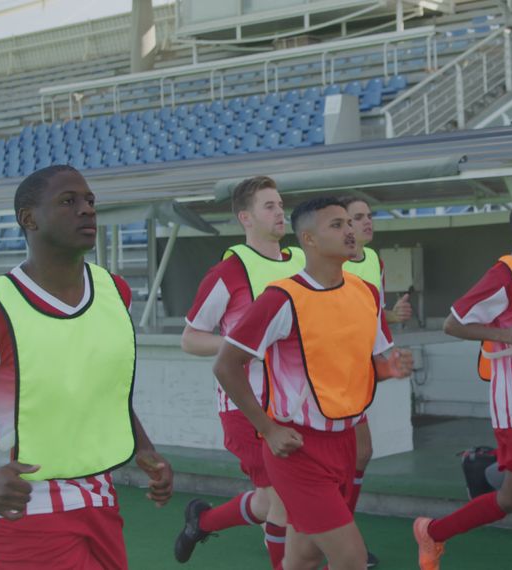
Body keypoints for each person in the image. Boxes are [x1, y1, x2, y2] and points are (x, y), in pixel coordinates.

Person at [0, 165, 173, 569]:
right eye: (68, 201)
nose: (86, 210)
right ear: (29, 218)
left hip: (98, 492)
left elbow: (104, 385)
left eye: (90, 201)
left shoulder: (114, 291)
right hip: (25, 501)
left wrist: (143, 446)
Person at [212, 197, 414, 570]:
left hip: (345, 441)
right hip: (297, 450)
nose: (350, 231)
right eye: (336, 225)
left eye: (349, 223)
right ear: (309, 239)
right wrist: (268, 429)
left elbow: (367, 367)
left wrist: (392, 369)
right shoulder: (282, 297)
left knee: (303, 557)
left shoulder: (365, 293)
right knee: (352, 559)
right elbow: (226, 366)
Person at [412, 198, 512, 569]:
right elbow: (453, 323)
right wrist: (510, 336)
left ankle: (432, 531)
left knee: (511, 499)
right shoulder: (507, 273)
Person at [175, 176, 302, 565]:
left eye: (281, 204)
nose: (280, 211)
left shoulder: (302, 261)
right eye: (269, 206)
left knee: (270, 500)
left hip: (297, 403)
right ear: (245, 218)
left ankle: (204, 522)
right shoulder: (228, 272)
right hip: (246, 408)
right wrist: (243, 346)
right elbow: (190, 339)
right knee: (283, 501)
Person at [339, 196, 412, 569]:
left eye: (369, 216)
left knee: (359, 454)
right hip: (326, 374)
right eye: (356, 218)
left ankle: (337, 534)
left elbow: (371, 314)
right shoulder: (313, 261)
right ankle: (337, 536)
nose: (366, 223)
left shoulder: (374, 261)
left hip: (358, 371)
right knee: (346, 456)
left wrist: (393, 323)